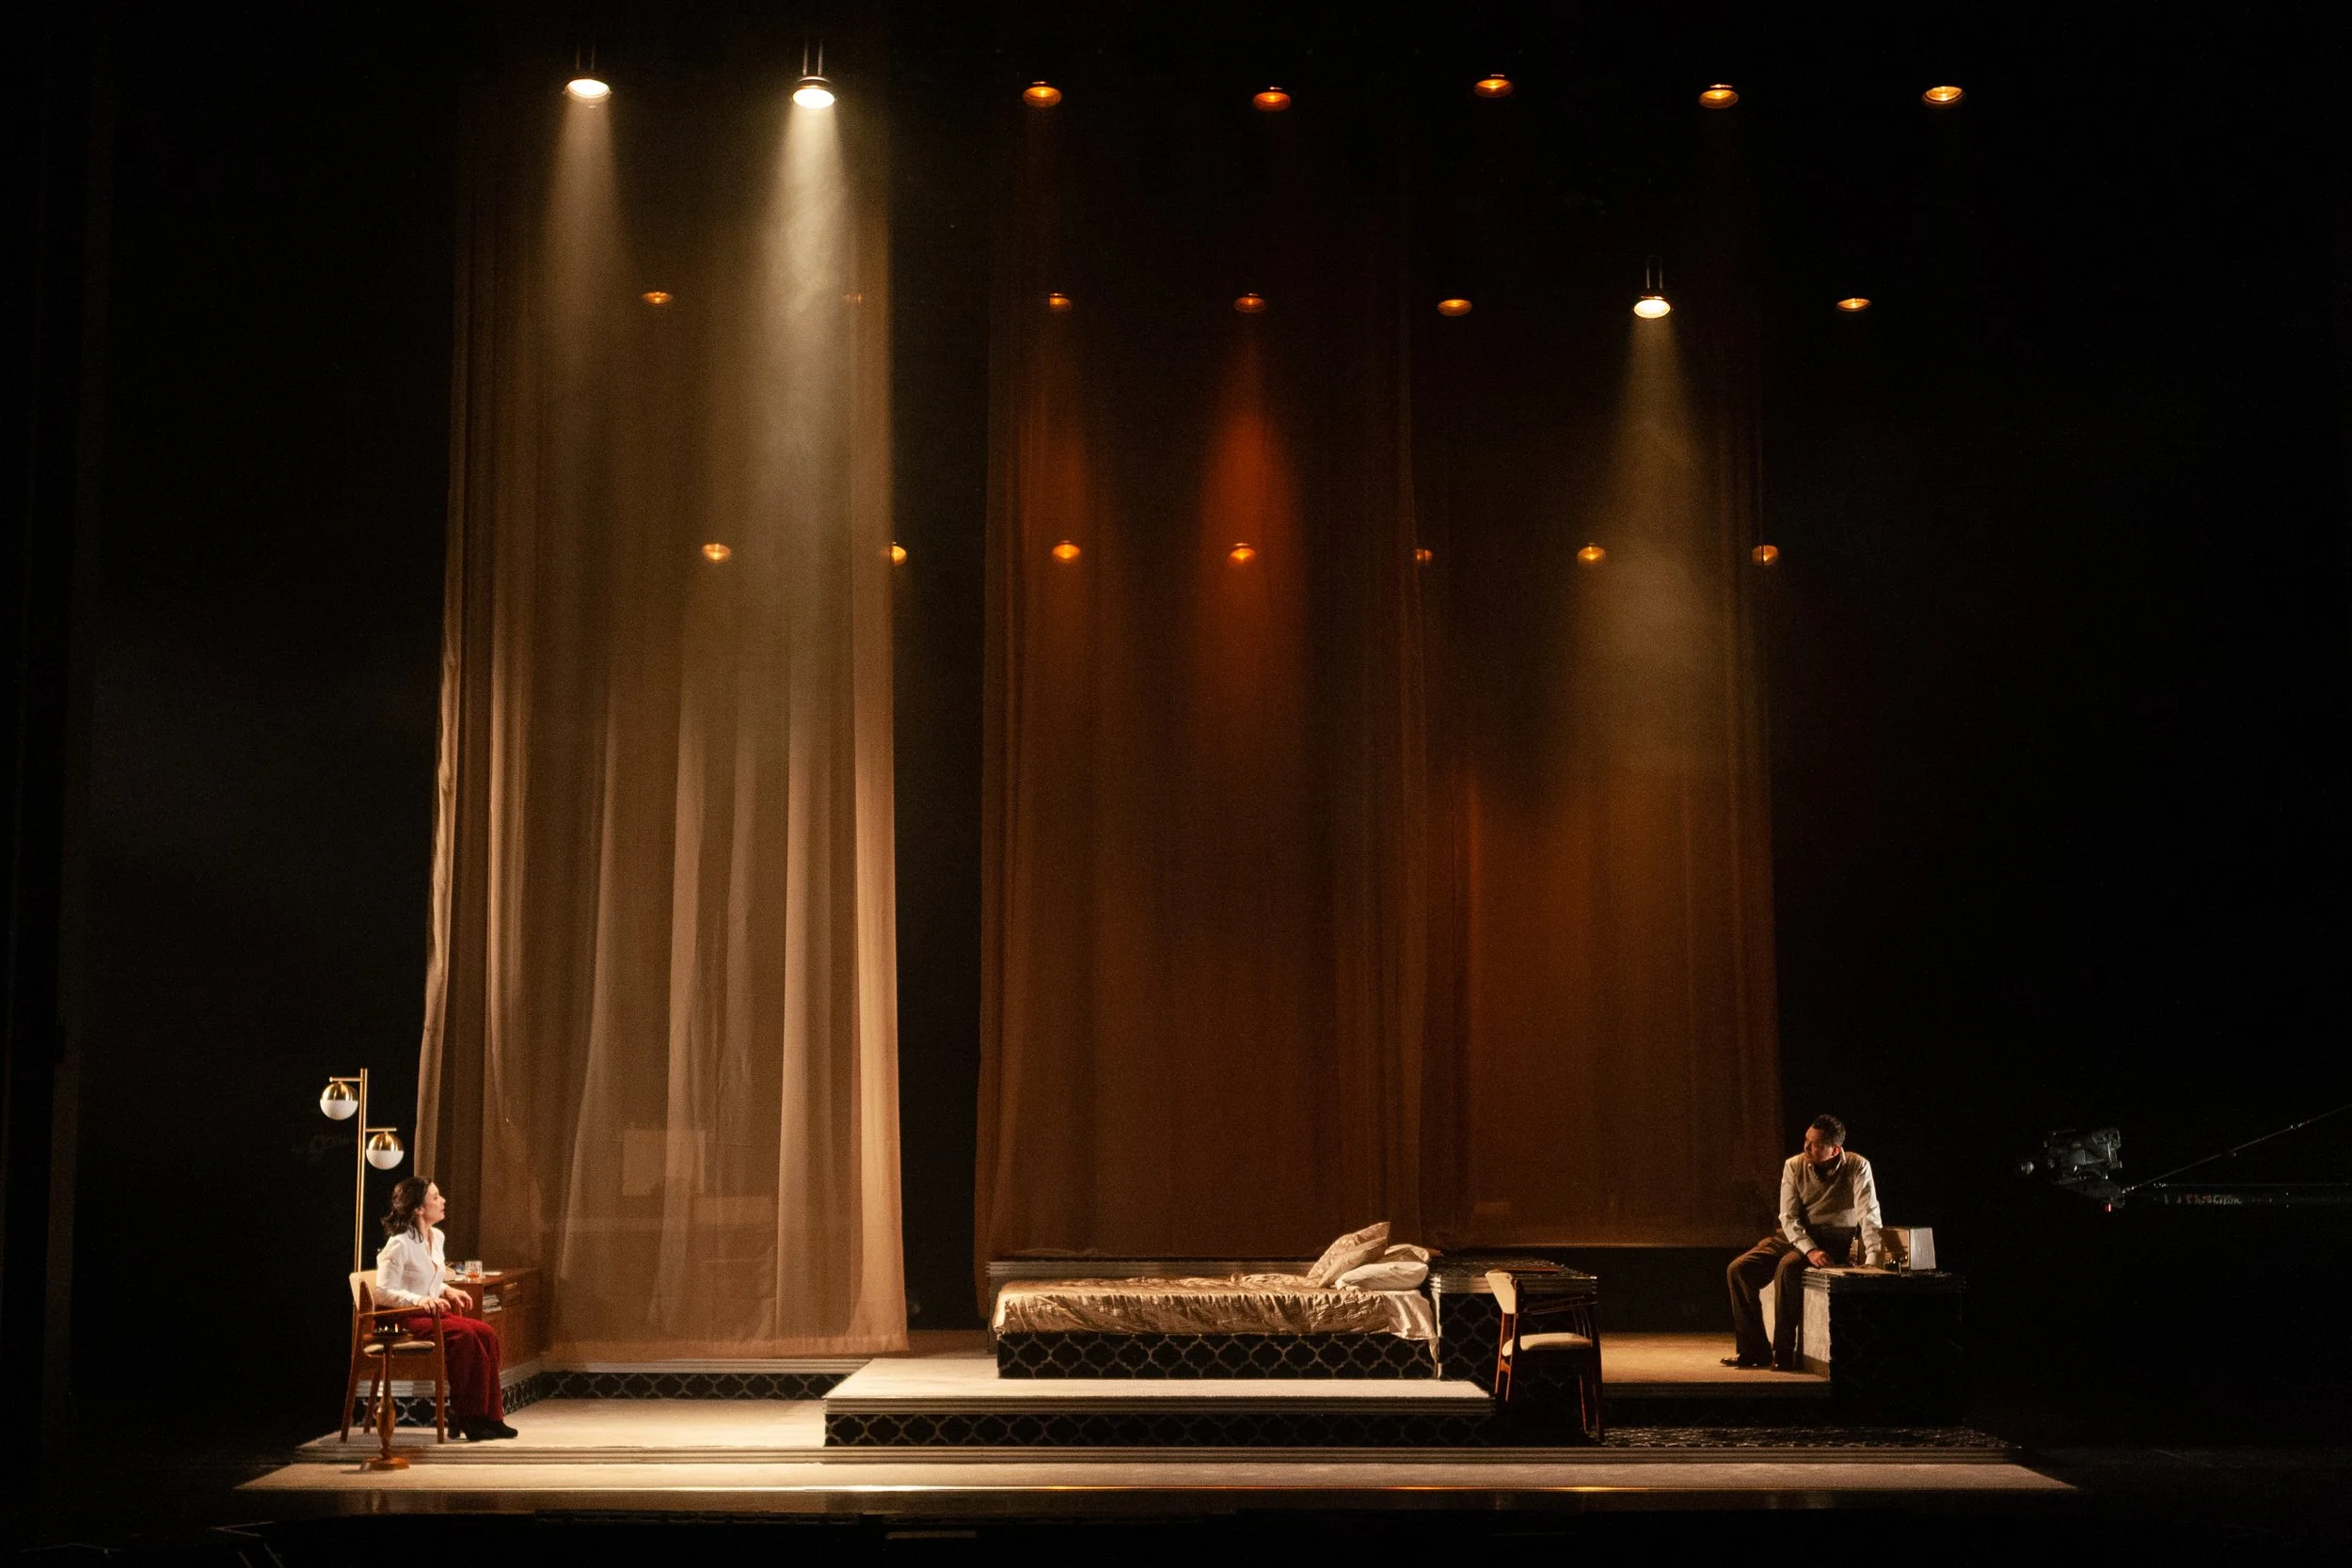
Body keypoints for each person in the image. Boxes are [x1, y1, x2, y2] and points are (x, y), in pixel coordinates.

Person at [1723, 1115, 1884, 1370]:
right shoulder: (1794, 1165)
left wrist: (1873, 1258)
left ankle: (1783, 1350)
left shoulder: (1857, 1166)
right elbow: (1788, 1217)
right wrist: (1809, 1249)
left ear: (1834, 1150)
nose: (1807, 1147)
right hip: (1794, 1235)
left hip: (1832, 1238)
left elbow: (1869, 1214)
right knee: (1739, 1269)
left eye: (1816, 1144)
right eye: (1806, 1140)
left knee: (1788, 1267)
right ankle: (1754, 1349)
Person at [375, 1176, 516, 1440]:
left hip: (430, 1314)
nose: (443, 1201)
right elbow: (383, 1291)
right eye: (435, 1197)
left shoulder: (436, 1237)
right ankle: (467, 1415)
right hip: (403, 1319)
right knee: (464, 1336)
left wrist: (445, 1289)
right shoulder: (399, 1244)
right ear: (419, 1208)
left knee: (486, 1333)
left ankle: (492, 1416)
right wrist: (419, 1300)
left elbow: (424, 1279)